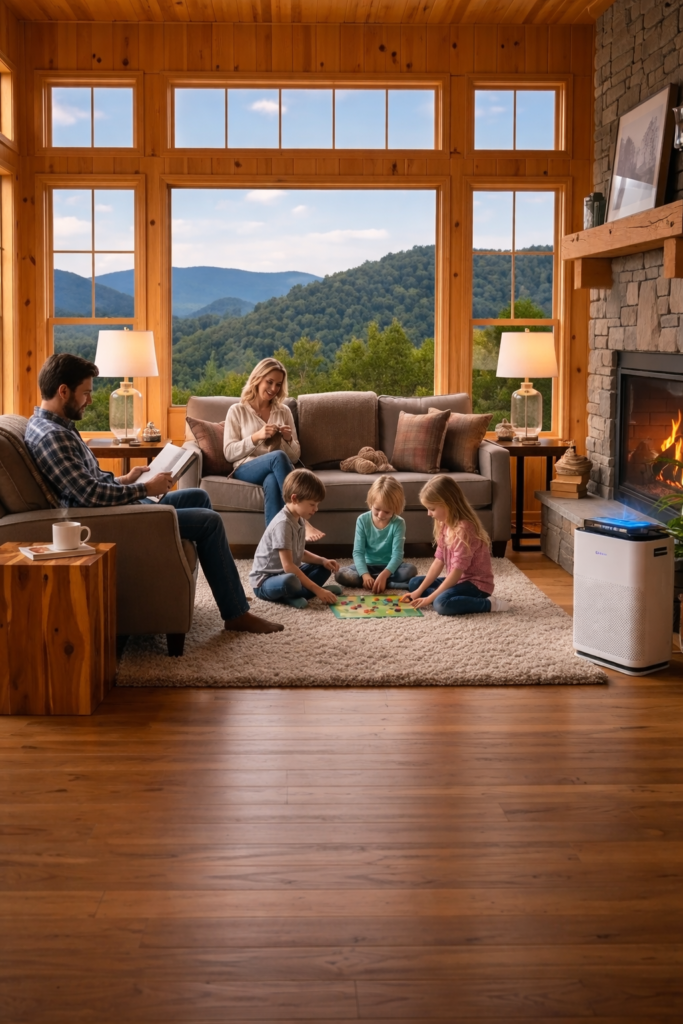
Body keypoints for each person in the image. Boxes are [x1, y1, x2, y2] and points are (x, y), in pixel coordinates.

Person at [25, 353, 284, 635]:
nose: (90, 400)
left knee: (198, 497)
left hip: (115, 506)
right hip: (107, 518)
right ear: (63, 391)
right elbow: (89, 495)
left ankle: (227, 590)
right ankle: (236, 614)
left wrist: (127, 479)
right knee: (209, 521)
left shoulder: (59, 427)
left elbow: (89, 481)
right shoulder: (53, 436)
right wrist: (145, 488)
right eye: (85, 393)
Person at [223, 357, 324, 542]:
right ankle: (302, 519)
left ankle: (275, 549)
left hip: (274, 469)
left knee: (271, 480)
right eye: (269, 382)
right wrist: (256, 437)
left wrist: (288, 439)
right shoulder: (237, 410)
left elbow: (294, 457)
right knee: (277, 456)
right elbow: (229, 452)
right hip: (246, 467)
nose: (273, 389)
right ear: (257, 379)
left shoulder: (283, 411)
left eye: (278, 384)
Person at [403, 475, 511, 615]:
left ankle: (489, 604)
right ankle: (446, 595)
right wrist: (418, 592)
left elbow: (456, 573)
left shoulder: (464, 529)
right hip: (458, 581)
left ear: (448, 504)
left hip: (476, 585)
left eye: (432, 508)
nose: (429, 514)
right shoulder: (445, 524)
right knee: (414, 584)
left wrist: (429, 598)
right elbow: (438, 561)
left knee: (441, 604)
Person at [249, 469, 342, 609]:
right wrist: (318, 589)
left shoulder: (299, 519)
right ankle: (305, 593)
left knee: (324, 567)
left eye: (317, 504)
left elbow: (300, 553)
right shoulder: (283, 523)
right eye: (312, 504)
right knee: (290, 581)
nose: (316, 509)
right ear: (294, 499)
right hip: (265, 582)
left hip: (287, 574)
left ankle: (301, 593)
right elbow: (288, 566)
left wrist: (323, 560)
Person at [335, 476, 417, 592]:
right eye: (377, 509)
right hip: (367, 566)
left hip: (390, 568)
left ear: (396, 508)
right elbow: (358, 552)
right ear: (371, 503)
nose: (381, 515)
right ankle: (387, 584)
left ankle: (380, 581)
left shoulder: (399, 523)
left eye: (387, 511)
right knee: (340, 574)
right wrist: (365, 575)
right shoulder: (362, 520)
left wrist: (384, 574)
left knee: (410, 570)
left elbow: (398, 555)